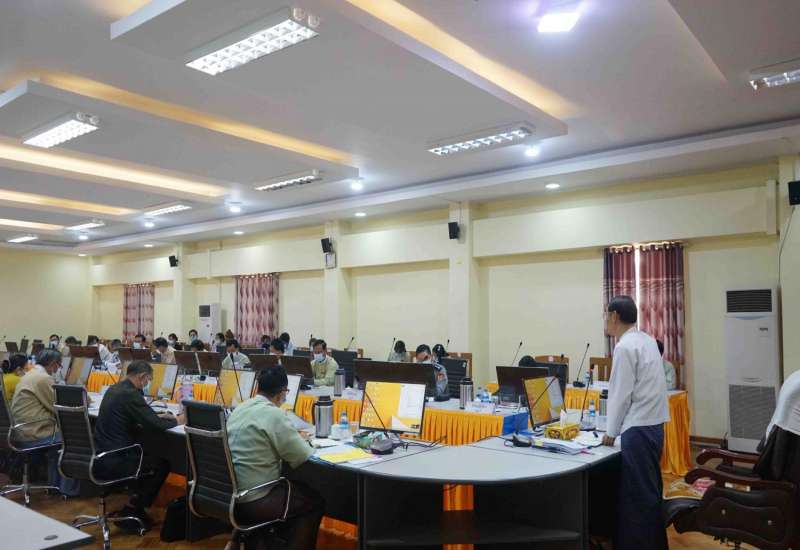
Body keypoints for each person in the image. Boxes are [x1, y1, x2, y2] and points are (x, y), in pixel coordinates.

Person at [227, 366, 324, 549]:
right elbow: (301, 454)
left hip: (230, 495)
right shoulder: (275, 414)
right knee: (313, 502)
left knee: (294, 491)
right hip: (255, 499)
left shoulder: (241, 408)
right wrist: (306, 442)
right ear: (282, 393)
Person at [602, 296, 669, 550]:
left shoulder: (625, 347)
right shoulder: (647, 340)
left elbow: (621, 393)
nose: (605, 321)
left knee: (637, 498)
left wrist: (610, 432)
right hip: (654, 425)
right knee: (649, 492)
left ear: (615, 316)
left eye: (606, 316)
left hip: (638, 428)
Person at [94, 361, 184, 530]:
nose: (147, 384)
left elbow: (141, 418)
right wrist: (179, 420)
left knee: (151, 455)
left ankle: (134, 503)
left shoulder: (115, 389)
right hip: (117, 459)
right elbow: (157, 425)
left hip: (102, 455)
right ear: (142, 376)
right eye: (148, 380)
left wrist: (154, 417)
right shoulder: (130, 394)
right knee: (162, 464)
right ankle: (133, 508)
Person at [10, 350, 77, 494]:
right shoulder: (42, 378)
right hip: (33, 431)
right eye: (59, 365)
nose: (58, 369)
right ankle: (66, 489)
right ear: (53, 364)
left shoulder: (31, 374)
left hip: (22, 429)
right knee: (70, 438)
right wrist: (82, 398)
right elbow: (59, 405)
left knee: (60, 435)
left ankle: (54, 484)